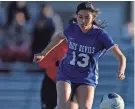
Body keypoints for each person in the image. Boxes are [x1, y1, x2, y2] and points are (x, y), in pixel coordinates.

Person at [33, 2, 126, 109]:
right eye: (80, 17)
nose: (83, 21)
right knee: (63, 106)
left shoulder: (101, 35)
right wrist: (44, 53)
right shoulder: (72, 28)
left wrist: (121, 71)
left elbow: (121, 56)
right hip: (66, 73)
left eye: (87, 18)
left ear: (93, 17)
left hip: (86, 76)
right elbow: (59, 36)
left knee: (85, 107)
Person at [38, 39, 78, 109]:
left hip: (69, 83)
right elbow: (42, 63)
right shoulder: (56, 46)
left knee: (72, 105)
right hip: (51, 83)